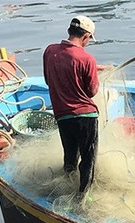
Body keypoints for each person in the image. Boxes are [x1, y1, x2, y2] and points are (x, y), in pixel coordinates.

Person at [43, 15, 102, 199]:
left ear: (70, 31)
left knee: (70, 156)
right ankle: (84, 197)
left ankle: (67, 184)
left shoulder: (50, 51)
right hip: (86, 116)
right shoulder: (87, 58)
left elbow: (49, 80)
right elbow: (92, 91)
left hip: (63, 116)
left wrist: (96, 68)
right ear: (86, 37)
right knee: (88, 160)